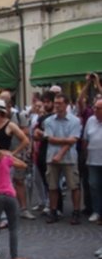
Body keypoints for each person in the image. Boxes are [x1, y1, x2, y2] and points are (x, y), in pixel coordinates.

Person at [0, 98, 33, 220]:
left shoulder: (10, 125)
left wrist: (13, 153)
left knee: (5, 187)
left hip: (5, 161)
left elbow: (25, 140)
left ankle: (7, 214)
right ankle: (1, 213)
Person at [43, 93, 82, 224]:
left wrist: (60, 152)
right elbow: (50, 138)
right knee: (52, 186)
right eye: (56, 103)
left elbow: (73, 139)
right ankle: (53, 211)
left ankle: (76, 211)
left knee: (74, 185)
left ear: (66, 104)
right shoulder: (48, 121)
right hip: (52, 157)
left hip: (69, 158)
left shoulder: (75, 121)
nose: (57, 106)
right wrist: (66, 140)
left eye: (60, 103)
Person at [83, 97, 102, 225]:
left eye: (98, 108)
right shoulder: (90, 120)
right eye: (94, 107)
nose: (95, 110)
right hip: (93, 160)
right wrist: (85, 155)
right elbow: (85, 139)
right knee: (94, 186)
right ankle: (96, 211)